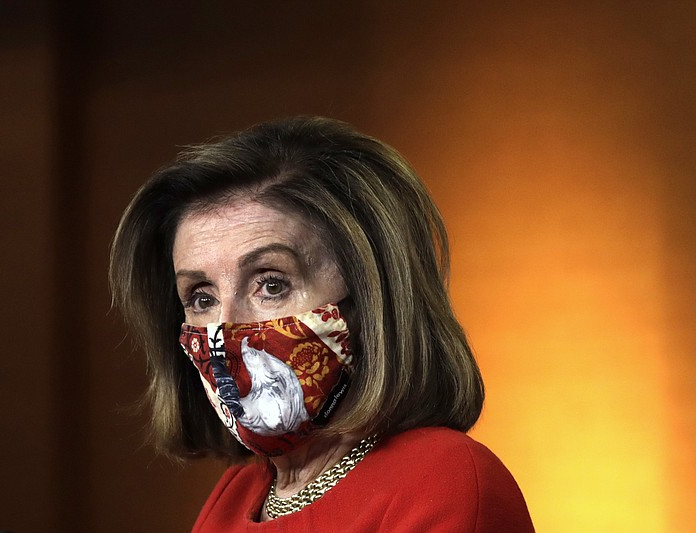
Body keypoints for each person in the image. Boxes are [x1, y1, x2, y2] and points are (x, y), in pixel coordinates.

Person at [109, 116, 534, 531]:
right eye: (202, 297)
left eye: (271, 285)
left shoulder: (445, 480)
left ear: (370, 301)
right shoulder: (237, 494)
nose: (225, 331)